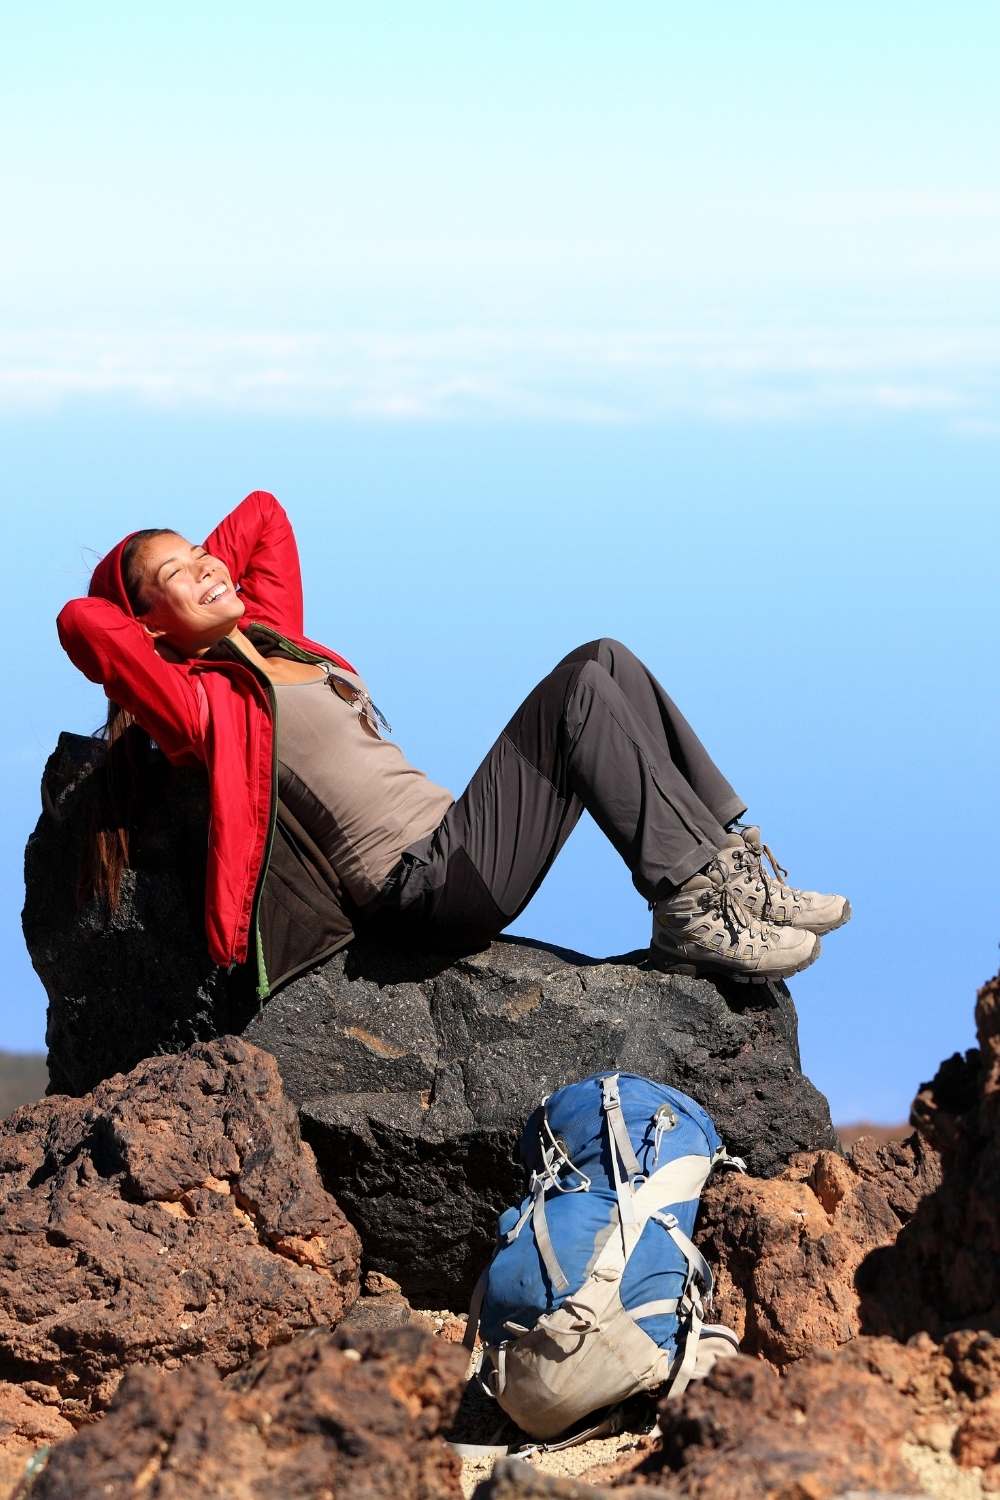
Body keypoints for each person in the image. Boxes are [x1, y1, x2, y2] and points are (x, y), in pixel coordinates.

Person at [58, 490, 850, 1001]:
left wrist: (189, 572)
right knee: (576, 697)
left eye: (203, 553)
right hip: (421, 890)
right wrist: (150, 608)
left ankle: (731, 874)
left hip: (455, 844)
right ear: (149, 627)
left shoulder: (277, 640)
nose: (207, 565)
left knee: (604, 658)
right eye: (178, 573)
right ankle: (688, 909)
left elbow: (265, 515)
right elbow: (83, 623)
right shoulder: (200, 704)